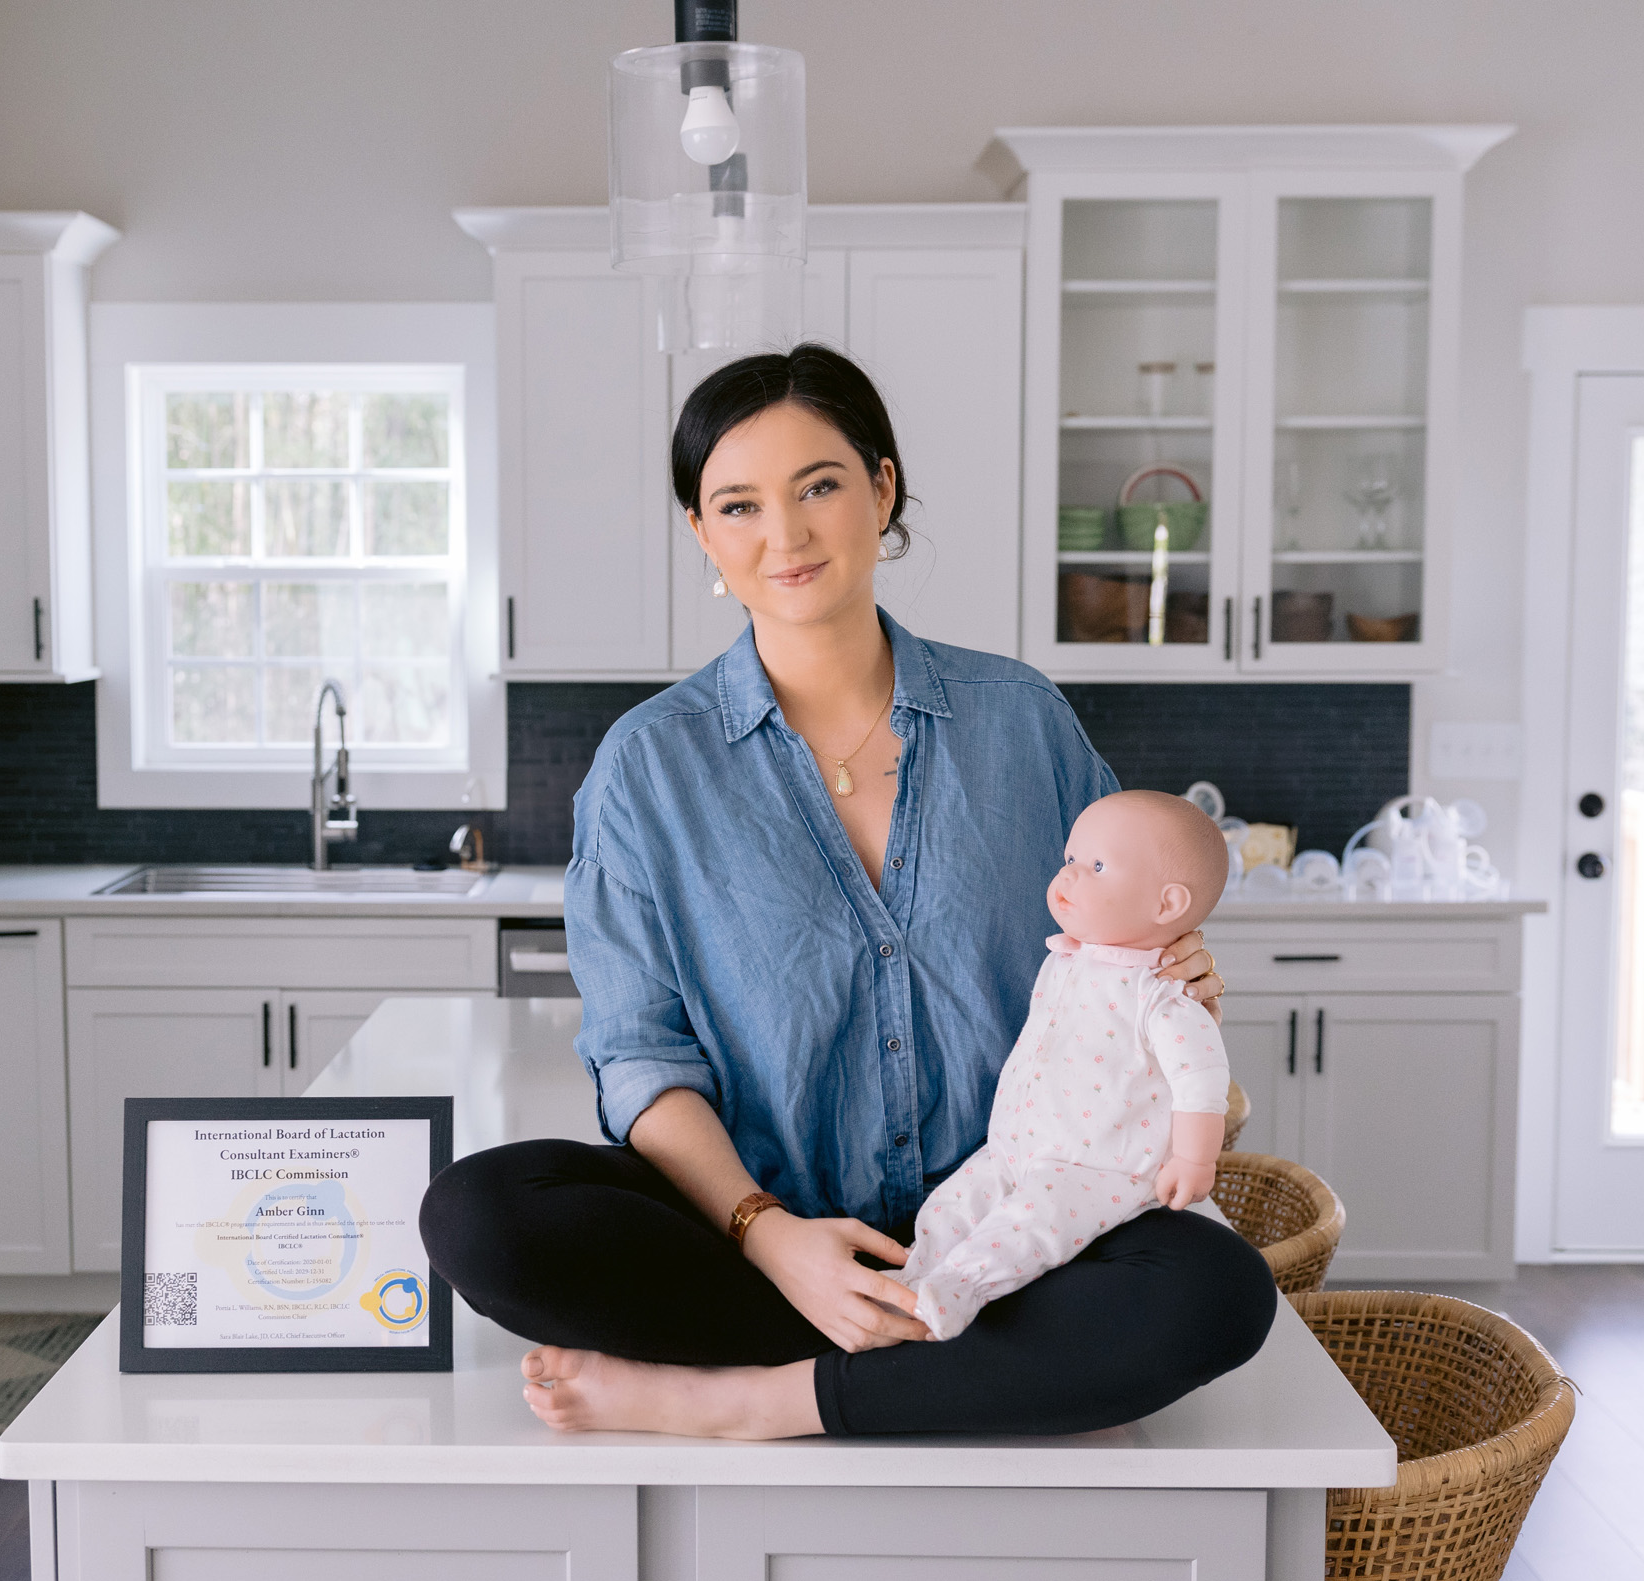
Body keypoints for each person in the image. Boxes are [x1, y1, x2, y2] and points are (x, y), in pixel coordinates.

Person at [419, 344, 1276, 1440]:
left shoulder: (1020, 721)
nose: (784, 533)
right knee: (483, 1212)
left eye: (819, 485)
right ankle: (941, 1365)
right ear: (702, 534)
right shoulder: (647, 766)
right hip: (762, 1240)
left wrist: (1178, 963)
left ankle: (755, 1397)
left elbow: (1132, 925)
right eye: (738, 503)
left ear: (881, 488)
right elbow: (640, 1058)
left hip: (1016, 1231)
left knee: (1216, 1288)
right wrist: (770, 1234)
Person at [894, 790, 1233, 1341]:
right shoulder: (1067, 958)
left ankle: (963, 1289)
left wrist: (1195, 1159)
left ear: (1167, 905)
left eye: (1096, 867)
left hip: (1095, 1164)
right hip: (1017, 1144)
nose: (1069, 877)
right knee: (951, 1205)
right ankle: (916, 1275)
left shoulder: (1163, 995)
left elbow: (1202, 1080)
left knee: (1030, 1227)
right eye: (1070, 860)